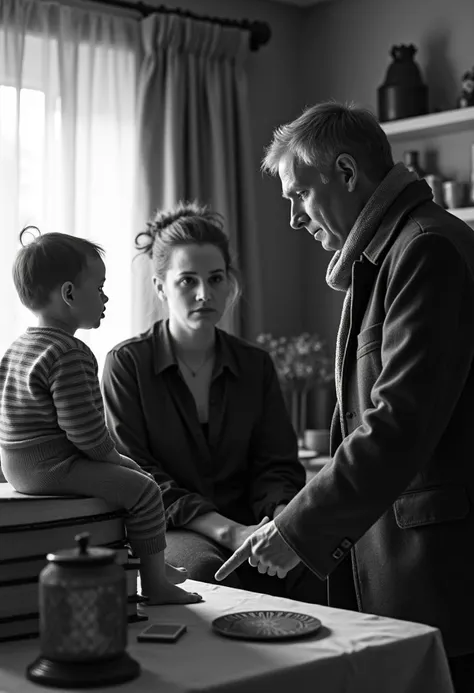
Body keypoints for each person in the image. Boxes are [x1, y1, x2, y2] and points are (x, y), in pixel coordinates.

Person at [214, 101, 474, 692]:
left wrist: (296, 528)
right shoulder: (390, 255)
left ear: (348, 174)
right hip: (405, 560)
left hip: (439, 567)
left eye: (297, 195)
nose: (292, 218)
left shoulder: (424, 250)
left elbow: (397, 422)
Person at [101, 202, 327, 604]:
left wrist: (279, 523)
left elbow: (276, 463)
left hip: (250, 522)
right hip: (165, 529)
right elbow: (137, 475)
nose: (204, 293)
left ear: (229, 283)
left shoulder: (254, 365)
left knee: (319, 565)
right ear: (160, 287)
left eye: (215, 278)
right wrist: (227, 530)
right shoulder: (127, 364)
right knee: (202, 571)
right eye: (187, 280)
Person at [0, 227, 201, 606]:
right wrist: (120, 461)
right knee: (144, 490)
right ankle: (154, 583)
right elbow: (87, 436)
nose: (106, 296)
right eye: (100, 286)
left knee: (128, 481)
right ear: (69, 294)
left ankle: (154, 566)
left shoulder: (19, 346)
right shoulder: (69, 352)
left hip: (15, 464)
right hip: (50, 465)